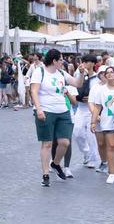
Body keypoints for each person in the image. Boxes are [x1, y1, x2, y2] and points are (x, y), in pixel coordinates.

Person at [30, 49, 87, 187]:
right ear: (54, 61)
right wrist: (39, 109)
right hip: (46, 110)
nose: (63, 62)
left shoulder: (61, 73)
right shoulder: (40, 72)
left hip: (63, 111)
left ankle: (55, 164)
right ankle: (45, 174)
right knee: (47, 143)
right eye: (61, 59)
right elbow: (33, 91)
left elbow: (77, 84)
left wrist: (81, 73)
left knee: (65, 142)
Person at [89, 66, 114, 184]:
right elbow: (97, 106)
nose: (110, 74)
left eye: (112, 72)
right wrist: (93, 121)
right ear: (105, 76)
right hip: (107, 121)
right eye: (107, 73)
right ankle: (111, 172)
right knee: (111, 146)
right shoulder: (101, 90)